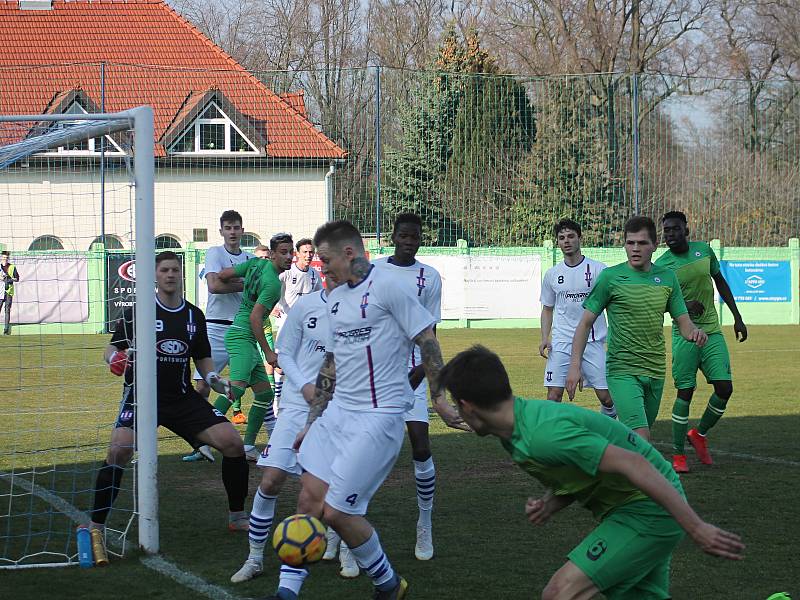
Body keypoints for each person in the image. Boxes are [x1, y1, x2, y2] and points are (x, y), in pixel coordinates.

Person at [263, 220, 467, 600]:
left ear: (350, 254)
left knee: (338, 512)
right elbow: (332, 363)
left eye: (326, 260)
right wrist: (312, 421)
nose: (321, 267)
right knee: (308, 498)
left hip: (379, 417)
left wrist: (438, 397)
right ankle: (286, 594)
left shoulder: (390, 287)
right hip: (337, 413)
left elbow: (427, 339)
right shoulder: (337, 298)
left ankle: (388, 584)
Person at [440, 345, 745, 600]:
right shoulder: (516, 429)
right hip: (635, 505)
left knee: (559, 594)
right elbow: (579, 469)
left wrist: (696, 528)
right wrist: (552, 500)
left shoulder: (543, 435)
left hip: (649, 509)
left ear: (467, 406)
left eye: (455, 404)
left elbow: (634, 463)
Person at [88, 251, 250, 532]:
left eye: (175, 269)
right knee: (119, 451)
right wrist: (114, 359)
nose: (171, 274)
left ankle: (237, 517)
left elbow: (202, 359)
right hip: (141, 398)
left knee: (232, 442)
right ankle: (95, 525)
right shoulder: (139, 312)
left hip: (182, 398)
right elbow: (112, 348)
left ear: (181, 274)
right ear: (155, 275)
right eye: (165, 270)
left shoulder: (194, 315)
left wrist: (215, 380)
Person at [230, 269, 342, 584]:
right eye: (330, 271)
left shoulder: (357, 312)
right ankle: (254, 558)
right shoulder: (305, 307)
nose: (335, 277)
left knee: (327, 488)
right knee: (271, 481)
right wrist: (306, 386)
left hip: (335, 411)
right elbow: (284, 354)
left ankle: (337, 542)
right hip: (294, 406)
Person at [566, 216, 708, 442]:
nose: (635, 248)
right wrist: (574, 366)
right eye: (630, 243)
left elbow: (683, 323)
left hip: (655, 371)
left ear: (654, 245)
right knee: (642, 437)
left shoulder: (667, 277)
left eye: (641, 243)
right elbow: (584, 323)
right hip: (622, 370)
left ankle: (601, 457)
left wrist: (694, 332)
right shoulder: (610, 278)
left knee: (631, 438)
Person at [372, 213, 442, 561]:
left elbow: (431, 331)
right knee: (366, 452)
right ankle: (350, 531)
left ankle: (425, 522)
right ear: (393, 237)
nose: (409, 241)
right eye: (403, 236)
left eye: (415, 236)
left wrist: (427, 375)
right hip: (377, 373)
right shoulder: (374, 270)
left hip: (412, 371)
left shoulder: (429, 277)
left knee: (420, 444)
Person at [655, 211, 748, 473]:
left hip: (712, 331)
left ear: (687, 230)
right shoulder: (662, 265)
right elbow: (658, 303)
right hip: (684, 334)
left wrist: (737, 318)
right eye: (666, 231)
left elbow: (721, 283)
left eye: (675, 229)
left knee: (725, 388)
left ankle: (699, 434)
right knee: (685, 391)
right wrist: (683, 305)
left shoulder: (704, 252)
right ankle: (678, 455)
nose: (670, 235)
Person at [213, 233, 294, 461]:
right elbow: (255, 319)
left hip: (241, 334)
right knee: (236, 388)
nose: (289, 257)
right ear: (274, 254)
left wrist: (245, 283)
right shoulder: (273, 284)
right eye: (284, 252)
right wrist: (268, 353)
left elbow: (223, 274)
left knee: (265, 393)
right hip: (242, 336)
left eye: (291, 252)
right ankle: (203, 432)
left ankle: (248, 446)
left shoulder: (256, 263)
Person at [183, 210, 253, 463]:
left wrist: (232, 282)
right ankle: (199, 441)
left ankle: (256, 441)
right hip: (214, 328)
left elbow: (253, 289)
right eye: (228, 228)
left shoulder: (251, 259)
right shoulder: (214, 253)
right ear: (221, 231)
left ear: (243, 230)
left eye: (236, 227)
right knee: (202, 386)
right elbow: (214, 286)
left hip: (241, 329)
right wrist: (244, 283)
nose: (233, 232)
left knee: (247, 386)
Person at [539, 219, 616, 418]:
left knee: (607, 397)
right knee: (554, 395)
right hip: (562, 341)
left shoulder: (599, 270)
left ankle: (608, 428)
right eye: (562, 238)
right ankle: (553, 438)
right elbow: (547, 309)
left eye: (571, 236)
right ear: (557, 242)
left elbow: (611, 305)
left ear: (580, 238)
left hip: (592, 341)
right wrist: (545, 337)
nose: (567, 241)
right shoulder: (552, 274)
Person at [270, 238, 323, 403]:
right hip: (287, 322)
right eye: (305, 252)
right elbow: (269, 288)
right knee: (280, 366)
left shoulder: (314, 274)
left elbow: (320, 298)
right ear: (297, 254)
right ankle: (277, 400)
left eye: (311, 252)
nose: (308, 255)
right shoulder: (287, 273)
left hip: (307, 326)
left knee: (306, 363)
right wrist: (272, 307)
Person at [0, 251, 20, 335]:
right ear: (1, 257)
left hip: (9, 292)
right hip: (0, 291)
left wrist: (9, 279)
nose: (5, 259)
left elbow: (17, 278)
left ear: (8, 258)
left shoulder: (12, 267)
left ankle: (6, 330)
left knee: (7, 310)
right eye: (4, 257)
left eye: (6, 258)